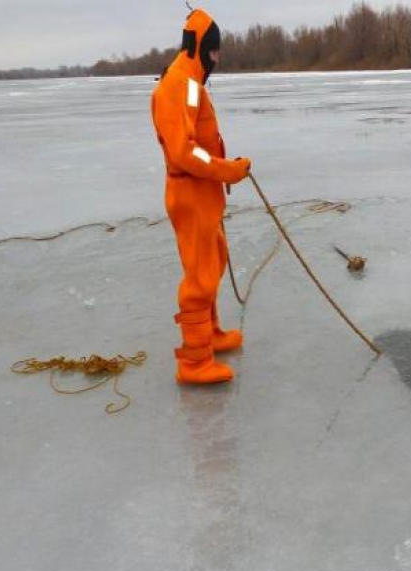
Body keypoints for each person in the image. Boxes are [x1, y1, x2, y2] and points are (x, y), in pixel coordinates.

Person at [151, 8, 252, 384]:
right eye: (215, 51)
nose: (218, 59)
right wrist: (226, 170)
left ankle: (209, 334)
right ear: (203, 48)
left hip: (204, 194)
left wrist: (223, 169)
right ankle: (193, 362)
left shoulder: (192, 83)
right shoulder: (178, 83)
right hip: (190, 193)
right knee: (199, 276)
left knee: (213, 262)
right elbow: (182, 151)